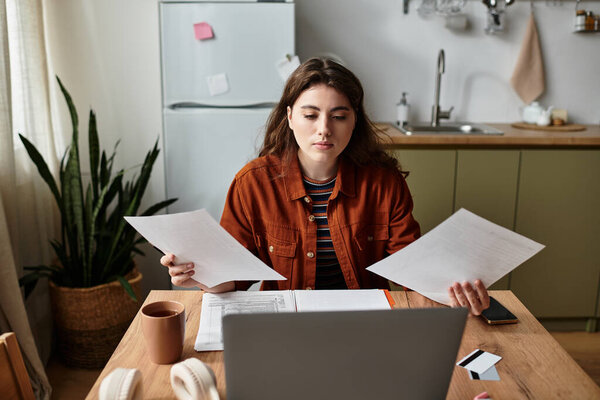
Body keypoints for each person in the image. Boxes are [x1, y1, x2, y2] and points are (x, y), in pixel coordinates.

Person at [161, 57, 490, 315]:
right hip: (285, 326)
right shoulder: (252, 183)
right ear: (289, 117)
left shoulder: (383, 183)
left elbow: (412, 272)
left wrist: (451, 292)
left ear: (354, 121)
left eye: (339, 116)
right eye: (310, 115)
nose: (324, 129)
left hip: (365, 325)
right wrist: (199, 276)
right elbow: (233, 279)